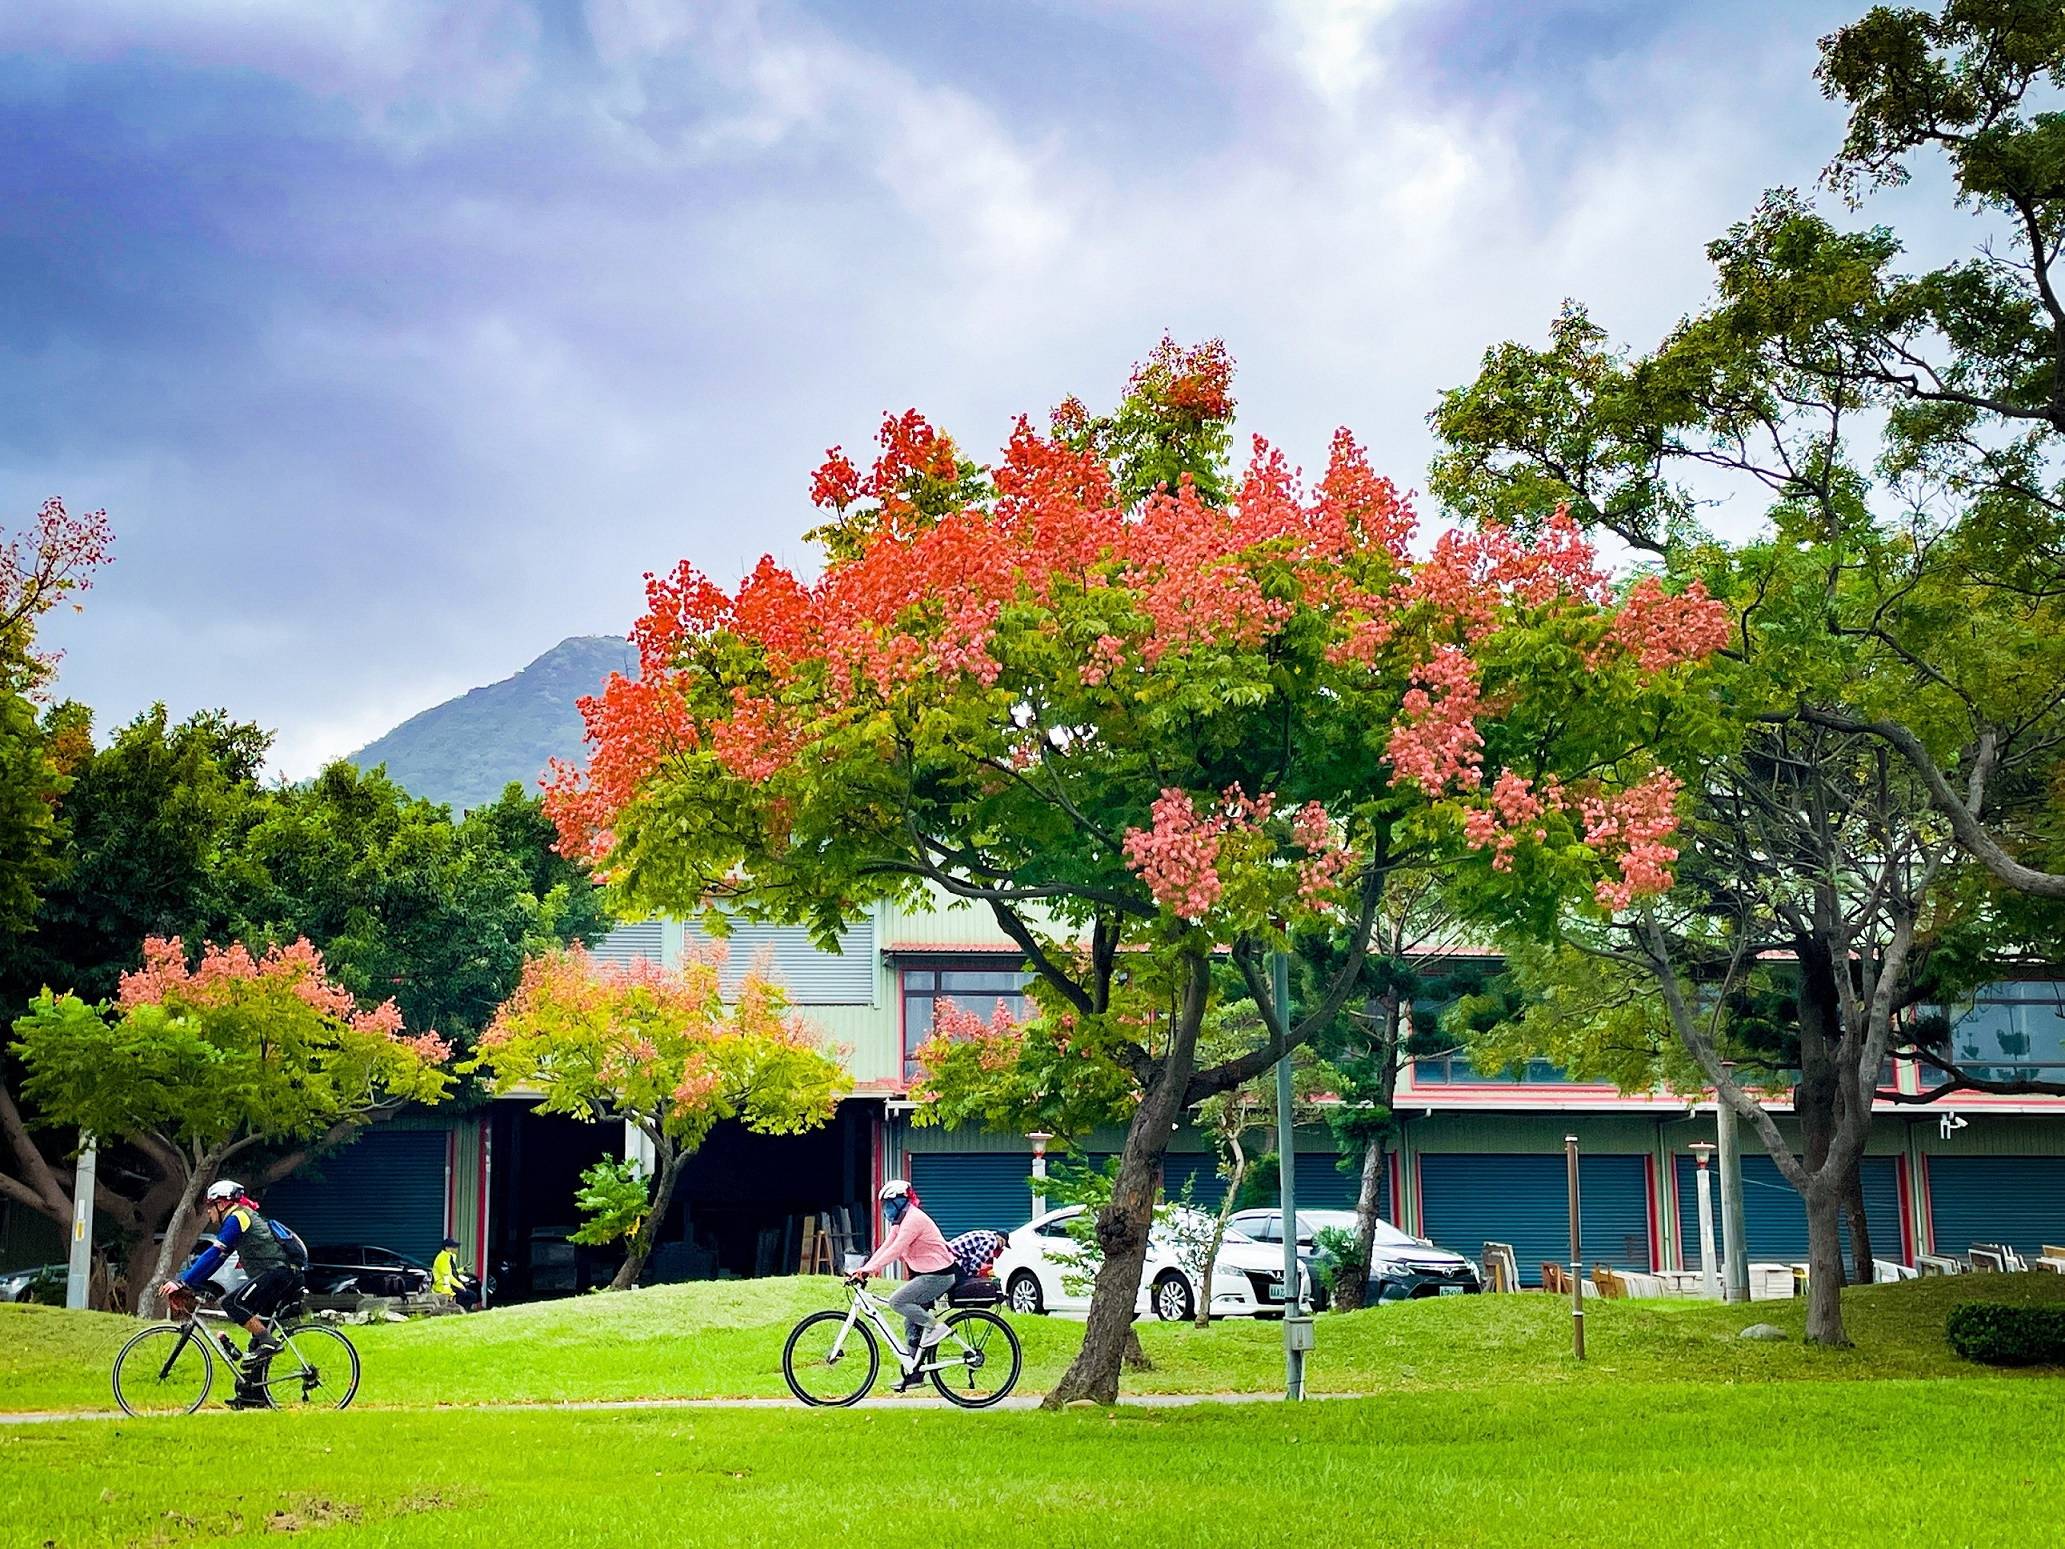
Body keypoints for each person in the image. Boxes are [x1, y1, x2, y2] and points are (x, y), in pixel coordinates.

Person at [161, 1179, 303, 1405]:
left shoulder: (237, 1217)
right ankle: (254, 1395)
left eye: (210, 1206)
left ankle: (269, 1342)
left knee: (232, 1303)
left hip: (277, 1273)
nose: (208, 1211)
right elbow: (217, 1259)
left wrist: (182, 1281)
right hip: (279, 1275)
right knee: (256, 1338)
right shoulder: (238, 1218)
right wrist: (192, 1283)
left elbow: (213, 1253)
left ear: (222, 1204)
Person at [846, 1179, 957, 1390]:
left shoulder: (914, 1220)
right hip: (926, 1274)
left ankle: (936, 1327)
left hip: (938, 1275)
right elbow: (886, 1247)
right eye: (884, 1205)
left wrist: (868, 1270)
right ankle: (915, 1375)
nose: (886, 1209)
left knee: (897, 1302)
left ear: (901, 1202)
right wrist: (864, 1269)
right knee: (911, 1323)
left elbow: (896, 1250)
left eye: (889, 1204)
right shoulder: (901, 1221)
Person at [431, 1236, 480, 1312]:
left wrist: (462, 1269)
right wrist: (460, 1286)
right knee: (470, 1295)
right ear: (447, 1248)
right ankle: (460, 1311)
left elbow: (451, 1271)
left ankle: (462, 1310)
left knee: (471, 1295)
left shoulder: (447, 1256)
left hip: (449, 1286)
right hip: (443, 1287)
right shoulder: (442, 1258)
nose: (457, 1249)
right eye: (454, 1247)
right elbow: (448, 1276)